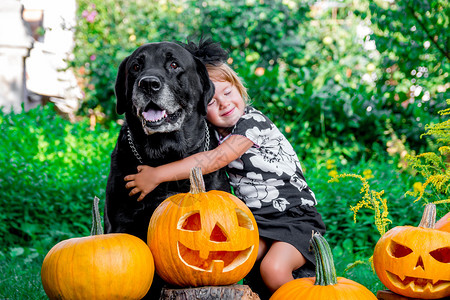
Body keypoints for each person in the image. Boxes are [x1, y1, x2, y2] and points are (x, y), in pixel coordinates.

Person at [124, 61, 326, 293]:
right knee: (231, 260)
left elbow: (215, 159)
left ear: (239, 89)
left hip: (293, 218)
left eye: (228, 92)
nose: (224, 103)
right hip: (260, 224)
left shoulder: (252, 122)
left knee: (273, 269)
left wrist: (157, 175)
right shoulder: (216, 133)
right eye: (211, 101)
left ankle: (309, 296)